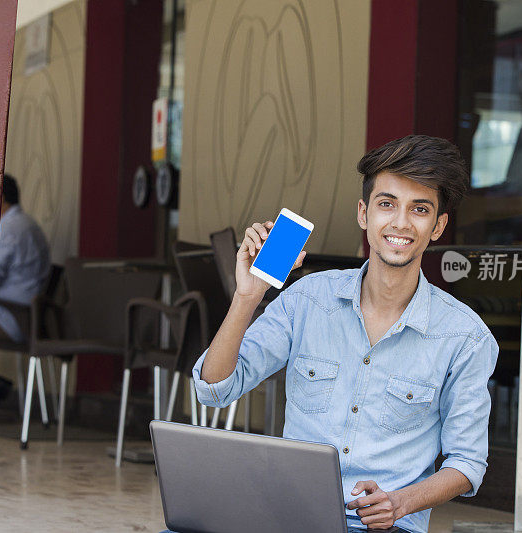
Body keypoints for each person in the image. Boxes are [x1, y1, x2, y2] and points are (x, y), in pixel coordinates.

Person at [191, 135, 499, 532]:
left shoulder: (465, 337)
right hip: (289, 518)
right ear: (363, 213)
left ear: (438, 226)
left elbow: (467, 464)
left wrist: (399, 502)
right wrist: (247, 297)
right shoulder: (306, 300)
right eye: (387, 204)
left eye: (419, 209)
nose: (401, 223)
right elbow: (214, 389)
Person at [0, 174, 51, 419]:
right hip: (25, 315)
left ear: (0, 197)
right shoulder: (27, 224)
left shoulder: (10, 228)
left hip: (12, 317)